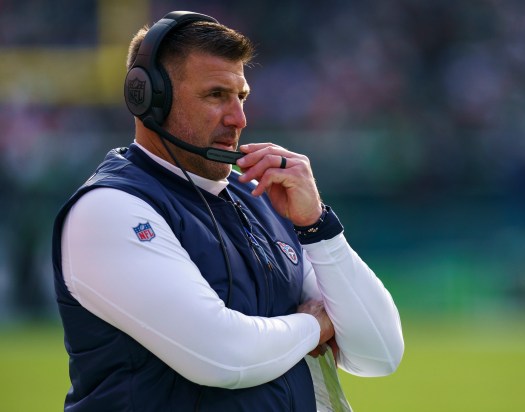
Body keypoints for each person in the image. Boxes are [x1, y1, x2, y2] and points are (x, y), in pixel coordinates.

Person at [51, 10, 404, 412]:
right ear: (147, 98)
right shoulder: (109, 209)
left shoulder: (259, 197)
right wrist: (318, 325)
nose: (239, 118)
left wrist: (318, 227)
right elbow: (222, 356)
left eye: (242, 97)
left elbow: (379, 353)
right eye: (216, 95)